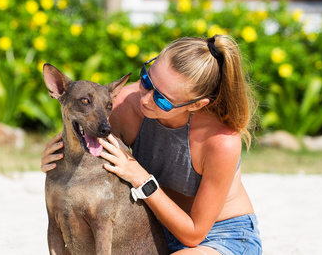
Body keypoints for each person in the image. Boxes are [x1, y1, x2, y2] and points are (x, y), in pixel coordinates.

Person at [41, 35, 262, 254]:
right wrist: (57, 157)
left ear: (196, 105)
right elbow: (87, 136)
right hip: (150, 233)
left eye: (162, 99)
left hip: (217, 237)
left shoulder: (221, 141)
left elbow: (194, 234)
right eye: (147, 81)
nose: (145, 99)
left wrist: (141, 178)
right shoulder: (125, 105)